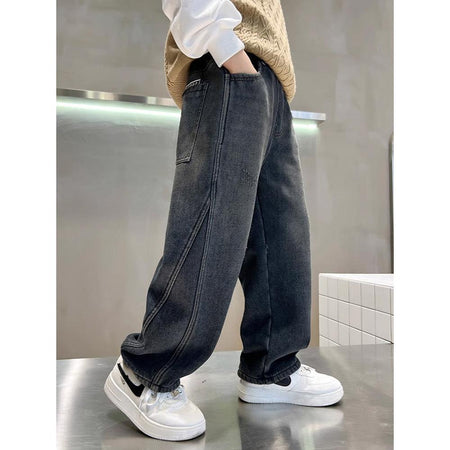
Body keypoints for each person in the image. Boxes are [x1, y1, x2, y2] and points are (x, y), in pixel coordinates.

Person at [104, 0, 343, 441]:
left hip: (268, 84)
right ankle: (146, 371)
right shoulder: (232, 58)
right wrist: (230, 54)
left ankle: (271, 368)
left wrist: (261, 82)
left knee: (283, 234)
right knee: (214, 226)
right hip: (230, 66)